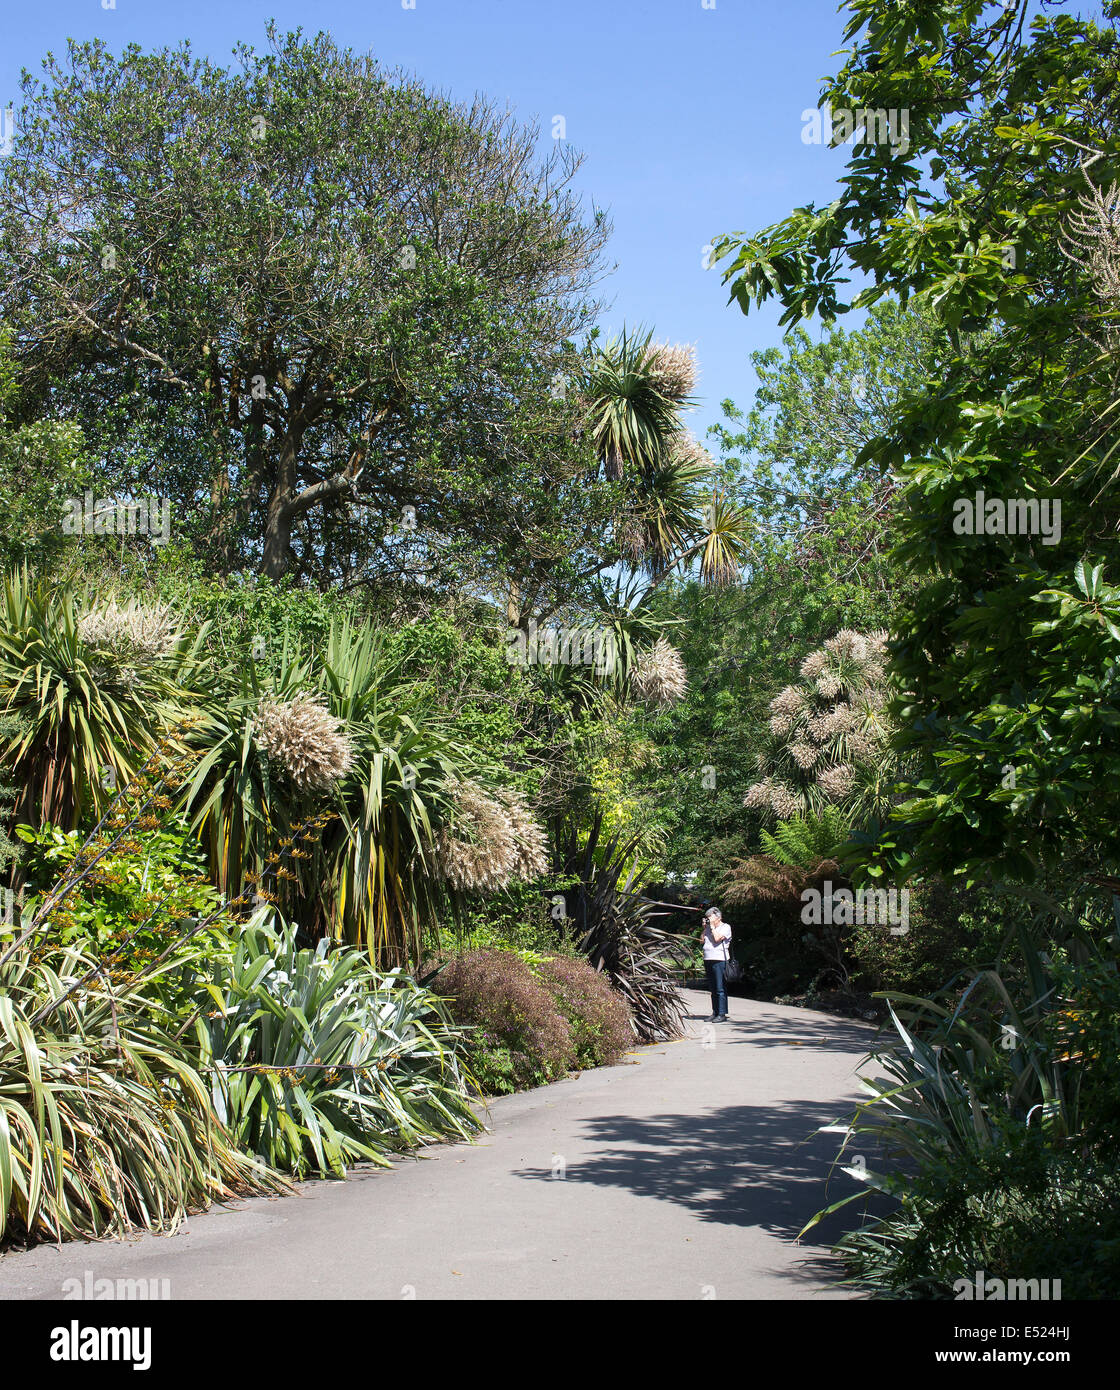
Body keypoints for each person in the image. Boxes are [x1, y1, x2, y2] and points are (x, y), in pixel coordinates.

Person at [701, 905, 731, 1022]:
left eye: (710, 916)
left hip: (719, 960)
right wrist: (704, 928)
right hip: (708, 959)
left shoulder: (726, 927)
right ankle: (715, 1012)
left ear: (718, 917)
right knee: (712, 988)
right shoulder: (708, 928)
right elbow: (701, 940)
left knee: (720, 987)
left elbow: (717, 939)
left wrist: (712, 928)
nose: (708, 919)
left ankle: (722, 1013)